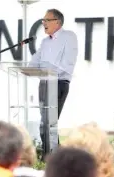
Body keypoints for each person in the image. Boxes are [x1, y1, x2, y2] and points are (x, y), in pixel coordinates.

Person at [29, 9, 78, 152]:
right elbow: (34, 63)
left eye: (46, 20)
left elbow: (68, 63)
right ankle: (52, 157)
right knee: (45, 124)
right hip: (44, 84)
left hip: (59, 83)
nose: (43, 22)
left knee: (49, 124)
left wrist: (49, 71)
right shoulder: (44, 42)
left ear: (57, 22)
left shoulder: (69, 36)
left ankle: (53, 158)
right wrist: (32, 69)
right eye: (43, 20)